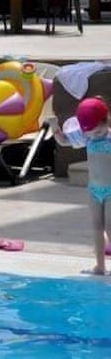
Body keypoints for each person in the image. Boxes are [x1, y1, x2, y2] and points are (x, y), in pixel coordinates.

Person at [52, 96, 111, 275]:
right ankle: (100, 266)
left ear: (107, 120)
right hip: (94, 191)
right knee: (97, 228)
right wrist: (54, 126)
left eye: (98, 132)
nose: (94, 136)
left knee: (110, 228)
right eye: (90, 133)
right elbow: (63, 141)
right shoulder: (88, 138)